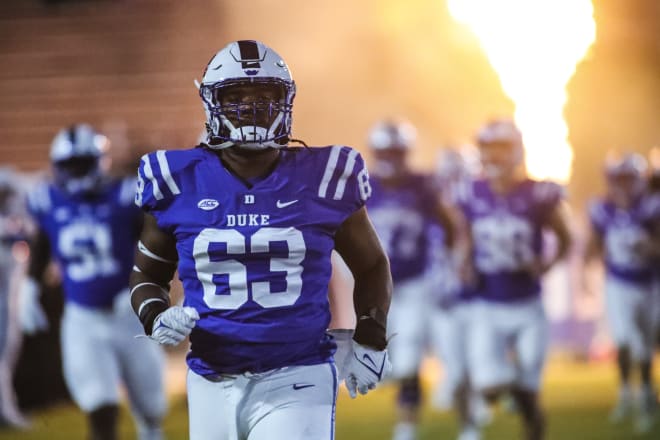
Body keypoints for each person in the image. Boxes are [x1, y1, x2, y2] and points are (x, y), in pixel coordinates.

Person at [129, 39, 393, 440]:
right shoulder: (175, 179)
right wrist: (154, 314)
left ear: (286, 100)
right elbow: (147, 275)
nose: (252, 107)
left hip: (298, 372)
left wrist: (371, 336)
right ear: (211, 102)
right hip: (210, 375)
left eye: (265, 96)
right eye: (236, 96)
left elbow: (372, 264)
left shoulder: (323, 177)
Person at [19, 124, 167, 440]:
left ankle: (151, 431)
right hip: (82, 318)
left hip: (128, 314)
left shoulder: (125, 195)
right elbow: (42, 242)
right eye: (69, 165)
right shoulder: (48, 200)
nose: (76, 172)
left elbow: (155, 245)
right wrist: (30, 287)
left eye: (82, 163)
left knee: (151, 405)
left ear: (99, 161)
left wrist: (150, 288)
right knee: (99, 402)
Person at [457, 119, 572, 440]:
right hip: (487, 303)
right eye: (488, 149)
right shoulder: (470, 191)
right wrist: (463, 262)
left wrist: (547, 263)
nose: (493, 157)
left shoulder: (538, 193)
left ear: (516, 150)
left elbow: (564, 236)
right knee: (490, 386)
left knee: (528, 390)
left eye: (500, 148)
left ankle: (533, 430)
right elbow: (464, 238)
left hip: (528, 304)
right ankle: (511, 388)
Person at [364, 120, 457, 440]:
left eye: (396, 151)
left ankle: (406, 426)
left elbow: (451, 225)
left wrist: (453, 260)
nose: (390, 157)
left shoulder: (423, 186)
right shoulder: (363, 187)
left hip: (413, 284)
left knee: (408, 359)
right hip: (372, 287)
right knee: (378, 362)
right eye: (385, 151)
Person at [584, 152, 660, 433]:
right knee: (628, 339)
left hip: (651, 282)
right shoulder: (602, 209)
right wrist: (584, 273)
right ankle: (632, 394)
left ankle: (645, 393)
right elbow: (593, 244)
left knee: (647, 342)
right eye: (620, 179)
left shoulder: (652, 207)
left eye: (629, 179)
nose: (624, 185)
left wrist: (650, 248)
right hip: (618, 283)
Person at [428, 146, 489, 440]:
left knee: (480, 366)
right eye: (448, 178)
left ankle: (477, 411)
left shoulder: (482, 209)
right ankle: (468, 426)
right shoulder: (430, 214)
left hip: (479, 300)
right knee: (457, 368)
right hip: (447, 301)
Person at [0, 168, 31, 429]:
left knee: (7, 350)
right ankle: (6, 411)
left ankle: (7, 408)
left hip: (7, 293)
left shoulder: (10, 181)